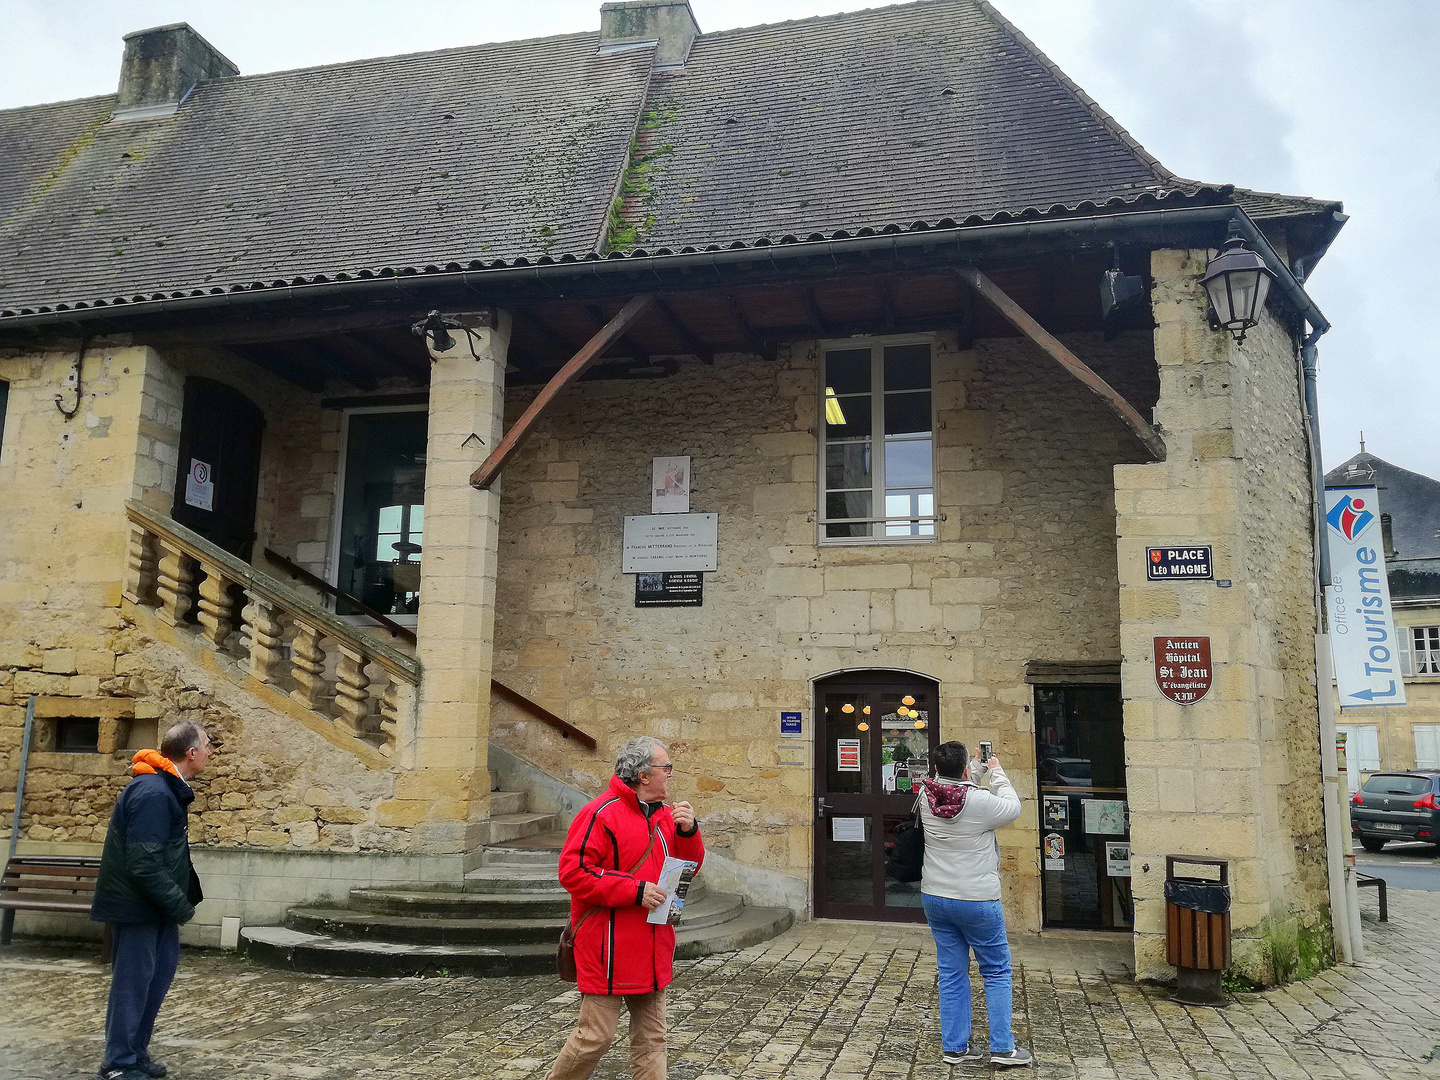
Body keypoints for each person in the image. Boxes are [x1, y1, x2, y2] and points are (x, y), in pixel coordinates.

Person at [544, 736, 704, 1080]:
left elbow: (682, 871)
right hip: (608, 946)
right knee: (595, 1037)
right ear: (644, 775)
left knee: (652, 1038)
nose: (670, 775)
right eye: (666, 768)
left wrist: (689, 832)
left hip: (652, 943)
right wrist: (634, 890)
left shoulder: (665, 816)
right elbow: (573, 873)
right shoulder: (598, 814)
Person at [91, 721, 211, 1080]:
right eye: (207, 745)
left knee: (154, 984)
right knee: (133, 985)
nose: (210, 751)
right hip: (138, 909)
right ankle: (118, 1064)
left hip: (155, 910)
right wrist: (180, 905)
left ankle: (134, 1054)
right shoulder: (154, 792)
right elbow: (143, 862)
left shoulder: (166, 788)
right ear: (190, 753)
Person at [918, 740, 1031, 1068]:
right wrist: (996, 772)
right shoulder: (981, 802)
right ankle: (1003, 1048)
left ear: (937, 768)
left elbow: (956, 792)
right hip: (977, 899)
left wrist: (973, 771)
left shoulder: (925, 796)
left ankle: (955, 1047)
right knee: (996, 970)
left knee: (951, 972)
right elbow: (1011, 807)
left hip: (936, 896)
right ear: (964, 769)